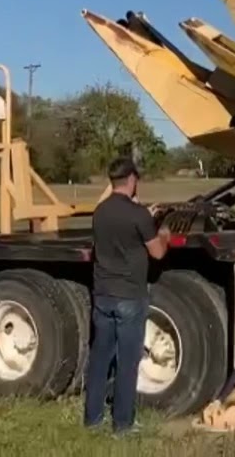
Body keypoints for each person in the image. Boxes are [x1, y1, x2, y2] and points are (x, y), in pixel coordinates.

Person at [82, 156, 171, 434]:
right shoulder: (139, 215)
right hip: (130, 297)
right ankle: (123, 424)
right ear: (132, 180)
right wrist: (164, 233)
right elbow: (156, 252)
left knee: (100, 358)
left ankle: (93, 419)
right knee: (127, 363)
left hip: (103, 295)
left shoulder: (100, 212)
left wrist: (144, 213)